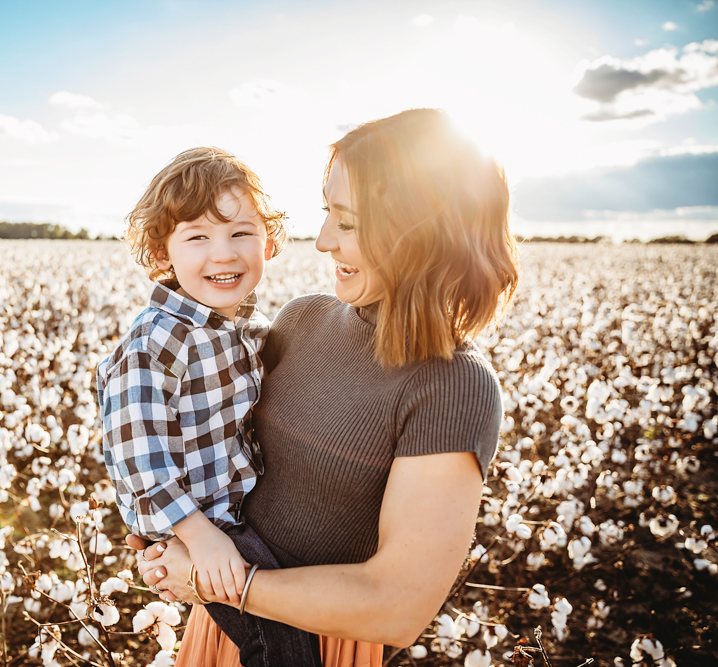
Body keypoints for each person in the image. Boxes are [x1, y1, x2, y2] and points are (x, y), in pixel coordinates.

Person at [129, 108, 520, 667]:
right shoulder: (299, 321)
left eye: (349, 222)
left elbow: (396, 607)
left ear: (424, 232)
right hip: (220, 626)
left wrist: (221, 582)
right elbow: (208, 447)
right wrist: (174, 540)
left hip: (314, 645)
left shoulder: (455, 386)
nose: (323, 241)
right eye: (326, 214)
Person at [97, 147, 323, 667]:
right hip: (201, 522)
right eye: (197, 237)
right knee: (283, 643)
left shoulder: (243, 328)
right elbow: (138, 458)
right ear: (162, 255)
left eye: (241, 233)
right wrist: (202, 540)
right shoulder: (156, 343)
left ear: (268, 241)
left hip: (230, 513)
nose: (223, 253)